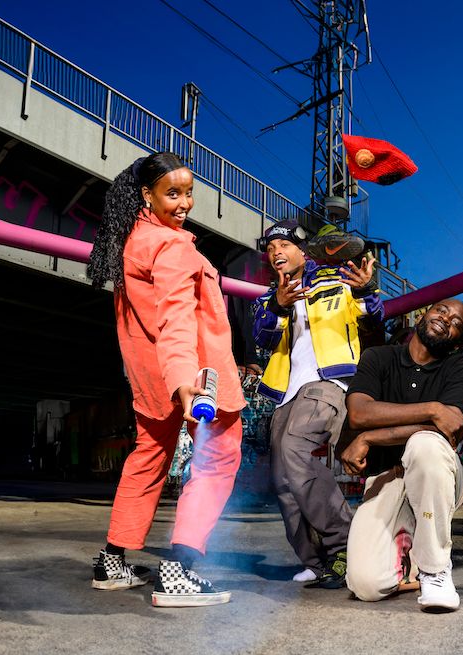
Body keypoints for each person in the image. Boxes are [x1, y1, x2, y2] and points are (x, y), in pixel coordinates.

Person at [87, 151, 245, 608]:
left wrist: (163, 378)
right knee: (218, 459)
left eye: (189, 191)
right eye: (172, 193)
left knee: (149, 455)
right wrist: (183, 380)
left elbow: (138, 321)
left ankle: (112, 560)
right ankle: (178, 571)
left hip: (150, 374)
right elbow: (176, 319)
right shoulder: (173, 247)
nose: (184, 203)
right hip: (192, 374)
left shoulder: (133, 238)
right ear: (147, 194)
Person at [252, 221, 383, 588]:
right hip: (284, 393)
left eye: (284, 245)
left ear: (302, 250)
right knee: (281, 479)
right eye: (270, 248)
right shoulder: (269, 296)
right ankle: (317, 561)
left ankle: (346, 543)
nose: (276, 253)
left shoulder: (335, 281)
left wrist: (368, 289)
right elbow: (261, 338)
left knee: (295, 450)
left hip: (329, 383)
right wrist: (277, 305)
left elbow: (374, 317)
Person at [340, 299, 463, 613]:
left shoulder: (458, 367)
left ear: (458, 339)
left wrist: (371, 436)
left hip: (438, 473)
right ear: (423, 313)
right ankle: (411, 559)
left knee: (425, 444)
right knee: (366, 585)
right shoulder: (379, 358)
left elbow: (447, 429)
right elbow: (359, 413)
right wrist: (433, 410)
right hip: (388, 476)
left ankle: (435, 570)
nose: (446, 318)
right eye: (442, 310)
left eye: (456, 321)